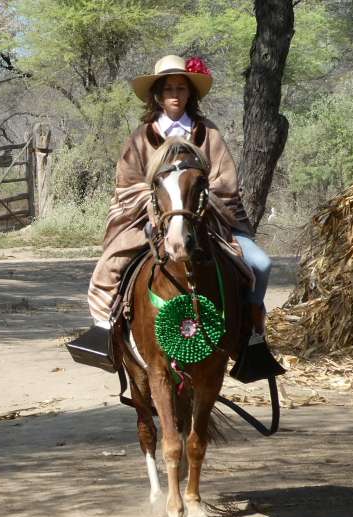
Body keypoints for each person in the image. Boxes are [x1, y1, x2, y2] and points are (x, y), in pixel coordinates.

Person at [86, 54, 281, 380]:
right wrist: (155, 204)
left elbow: (227, 181)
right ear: (158, 95)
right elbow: (126, 184)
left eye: (181, 88)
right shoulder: (140, 137)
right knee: (110, 266)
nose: (175, 94)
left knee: (260, 264)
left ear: (191, 94)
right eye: (168, 89)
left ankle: (251, 336)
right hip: (148, 217)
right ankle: (106, 330)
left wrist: (197, 201)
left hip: (207, 218)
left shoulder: (209, 135)